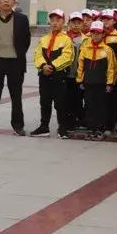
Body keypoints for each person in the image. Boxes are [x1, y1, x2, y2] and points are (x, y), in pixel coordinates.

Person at [0, 0, 31, 136]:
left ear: (14, 2)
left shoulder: (22, 19)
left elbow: (26, 41)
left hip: (15, 62)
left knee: (16, 95)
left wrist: (18, 54)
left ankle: (18, 125)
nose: (6, 0)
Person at [31, 9, 75, 139]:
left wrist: (53, 66)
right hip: (44, 75)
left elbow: (68, 57)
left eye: (58, 20)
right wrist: (43, 66)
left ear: (63, 22)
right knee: (44, 102)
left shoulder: (67, 40)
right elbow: (37, 54)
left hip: (59, 75)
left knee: (60, 103)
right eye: (53, 20)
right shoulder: (44, 39)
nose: (55, 23)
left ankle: (62, 128)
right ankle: (44, 127)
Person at [76, 21, 116, 141]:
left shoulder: (108, 50)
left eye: (98, 33)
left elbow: (111, 68)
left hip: (101, 84)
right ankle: (91, 129)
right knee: (89, 106)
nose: (95, 35)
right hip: (88, 83)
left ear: (103, 34)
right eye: (93, 33)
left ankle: (100, 129)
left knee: (101, 107)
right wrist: (80, 80)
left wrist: (110, 83)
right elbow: (80, 65)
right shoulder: (85, 48)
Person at [99, 9, 117, 133]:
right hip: (99, 71)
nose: (105, 21)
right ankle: (99, 123)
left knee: (111, 100)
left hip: (112, 73)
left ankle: (110, 125)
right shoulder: (97, 34)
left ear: (114, 21)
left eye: (108, 19)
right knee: (100, 99)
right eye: (103, 19)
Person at [65, 12, 87, 131]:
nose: (76, 25)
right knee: (65, 99)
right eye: (74, 22)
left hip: (78, 75)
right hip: (65, 75)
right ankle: (67, 121)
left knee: (77, 99)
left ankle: (77, 121)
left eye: (79, 23)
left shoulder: (86, 39)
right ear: (69, 23)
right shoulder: (63, 37)